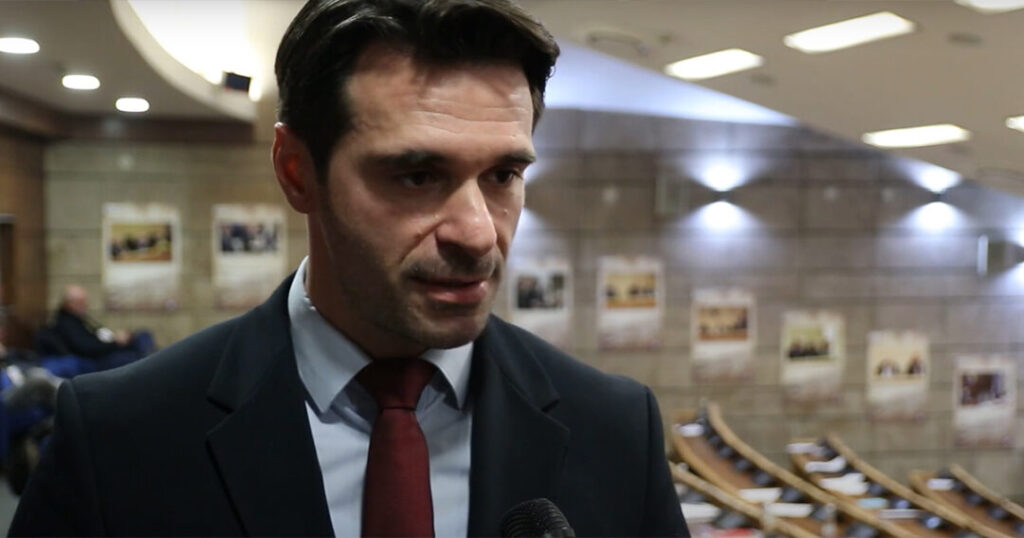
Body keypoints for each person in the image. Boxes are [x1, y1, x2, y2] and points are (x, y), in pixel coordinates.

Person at [10, 1, 689, 536]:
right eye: (417, 175)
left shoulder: (615, 430)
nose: (479, 233)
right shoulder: (120, 436)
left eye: (504, 174)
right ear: (295, 171)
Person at [48, 285, 154, 370]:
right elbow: (87, 348)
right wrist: (115, 343)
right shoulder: (66, 323)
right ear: (70, 304)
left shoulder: (78, 319)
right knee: (137, 356)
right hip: (96, 360)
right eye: (81, 302)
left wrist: (115, 339)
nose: (85, 305)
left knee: (143, 335)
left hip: (103, 351)